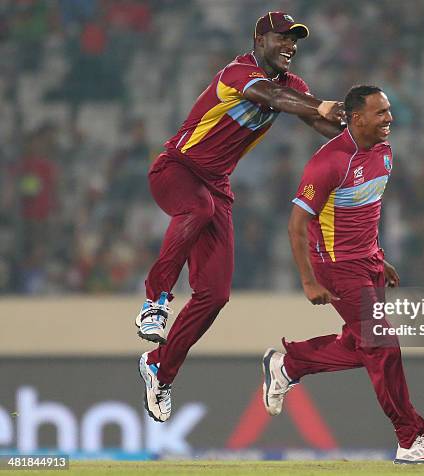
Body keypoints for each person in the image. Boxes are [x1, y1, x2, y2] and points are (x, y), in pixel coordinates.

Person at [136, 11, 345, 423]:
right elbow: (274, 99)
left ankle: (159, 367)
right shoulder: (238, 72)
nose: (291, 46)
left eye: (295, 40)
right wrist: (320, 104)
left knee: (215, 295)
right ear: (260, 39)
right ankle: (155, 300)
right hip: (176, 168)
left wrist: (357, 137)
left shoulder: (293, 87)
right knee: (197, 207)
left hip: (215, 187)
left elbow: (318, 121)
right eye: (283, 38)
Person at [262, 86, 424, 464]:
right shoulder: (329, 162)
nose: (389, 119)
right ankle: (410, 438)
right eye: (380, 113)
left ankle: (288, 365)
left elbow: (365, 211)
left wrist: (380, 259)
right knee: (382, 344)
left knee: (361, 344)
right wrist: (307, 280)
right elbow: (297, 225)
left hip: (368, 261)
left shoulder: (384, 152)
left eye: (389, 111)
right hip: (336, 266)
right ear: (356, 117)